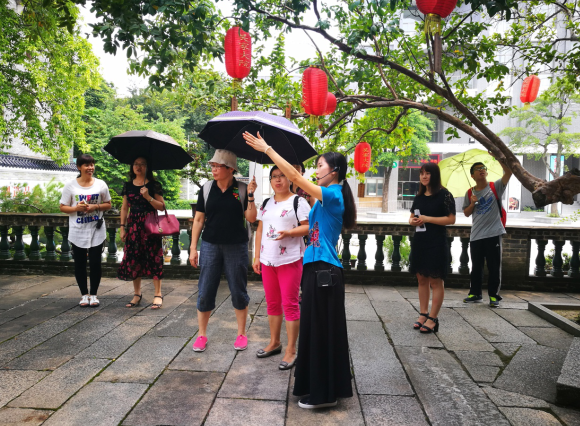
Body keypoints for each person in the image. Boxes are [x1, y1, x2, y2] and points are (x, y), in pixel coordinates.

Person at [243, 131, 356, 410]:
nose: (316, 171)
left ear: (334, 171)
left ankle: (324, 394)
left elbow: (294, 176)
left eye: (320, 166)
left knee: (321, 332)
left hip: (325, 272)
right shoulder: (323, 198)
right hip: (316, 270)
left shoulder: (333, 195)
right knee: (315, 331)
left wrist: (268, 149)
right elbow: (294, 181)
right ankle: (317, 388)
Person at [189, 149, 258, 352]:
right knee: (205, 290)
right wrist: (193, 247)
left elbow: (251, 218)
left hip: (236, 246)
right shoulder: (207, 188)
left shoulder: (241, 189)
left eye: (217, 166)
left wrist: (251, 195)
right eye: (212, 165)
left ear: (230, 169)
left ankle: (241, 333)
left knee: (238, 290)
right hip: (210, 245)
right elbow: (199, 219)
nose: (213, 169)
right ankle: (201, 335)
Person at [253, 165, 310, 370]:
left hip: (290, 260)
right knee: (272, 303)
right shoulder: (267, 203)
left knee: (290, 304)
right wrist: (257, 256)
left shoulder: (298, 201)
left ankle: (291, 350)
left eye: (282, 176)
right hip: (268, 260)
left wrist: (289, 233)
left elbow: (308, 226)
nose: (278, 180)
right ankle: (275, 342)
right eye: (274, 176)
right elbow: (260, 229)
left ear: (291, 179)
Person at [409, 163, 456, 334]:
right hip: (420, 241)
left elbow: (451, 219)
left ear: (434, 175)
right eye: (422, 173)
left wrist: (428, 219)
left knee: (436, 281)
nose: (424, 176)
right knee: (421, 279)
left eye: (428, 173)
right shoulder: (419, 196)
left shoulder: (445, 195)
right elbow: (411, 218)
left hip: (437, 242)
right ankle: (423, 313)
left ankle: (433, 318)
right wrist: (413, 221)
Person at [59, 154, 112, 307]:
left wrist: (95, 206)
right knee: (80, 264)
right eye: (87, 165)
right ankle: (84, 294)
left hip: (96, 229)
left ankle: (94, 294)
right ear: (79, 167)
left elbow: (108, 204)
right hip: (78, 230)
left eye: (92, 164)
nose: (90, 168)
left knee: (95, 263)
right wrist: (76, 208)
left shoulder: (101, 184)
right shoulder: (71, 186)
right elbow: (62, 207)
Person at [118, 156, 166, 309]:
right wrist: (122, 227)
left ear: (147, 167)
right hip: (133, 226)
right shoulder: (128, 186)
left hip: (150, 225)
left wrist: (148, 197)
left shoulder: (154, 185)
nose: (138, 167)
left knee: (154, 257)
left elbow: (162, 206)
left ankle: (157, 294)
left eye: (142, 164)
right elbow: (124, 207)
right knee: (134, 258)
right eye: (136, 164)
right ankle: (137, 293)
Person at [463, 160, 512, 307]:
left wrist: (498, 157)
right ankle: (475, 293)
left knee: (494, 266)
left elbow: (509, 172)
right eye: (477, 169)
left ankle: (494, 295)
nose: (481, 170)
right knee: (476, 266)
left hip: (493, 233)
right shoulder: (469, 192)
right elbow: (466, 213)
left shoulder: (495, 187)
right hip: (476, 235)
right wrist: (472, 203)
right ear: (472, 175)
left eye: (483, 168)